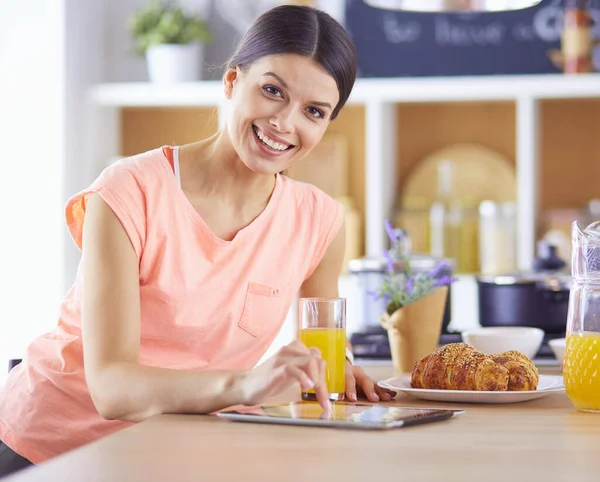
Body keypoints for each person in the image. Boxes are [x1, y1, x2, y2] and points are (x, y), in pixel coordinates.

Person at [0, 4, 395, 476]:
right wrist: (248, 385)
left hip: (180, 448)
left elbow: (324, 344)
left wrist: (336, 370)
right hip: (51, 447)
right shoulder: (128, 191)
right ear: (231, 83)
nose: (285, 123)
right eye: (272, 91)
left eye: (313, 111)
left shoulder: (320, 221)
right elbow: (113, 390)